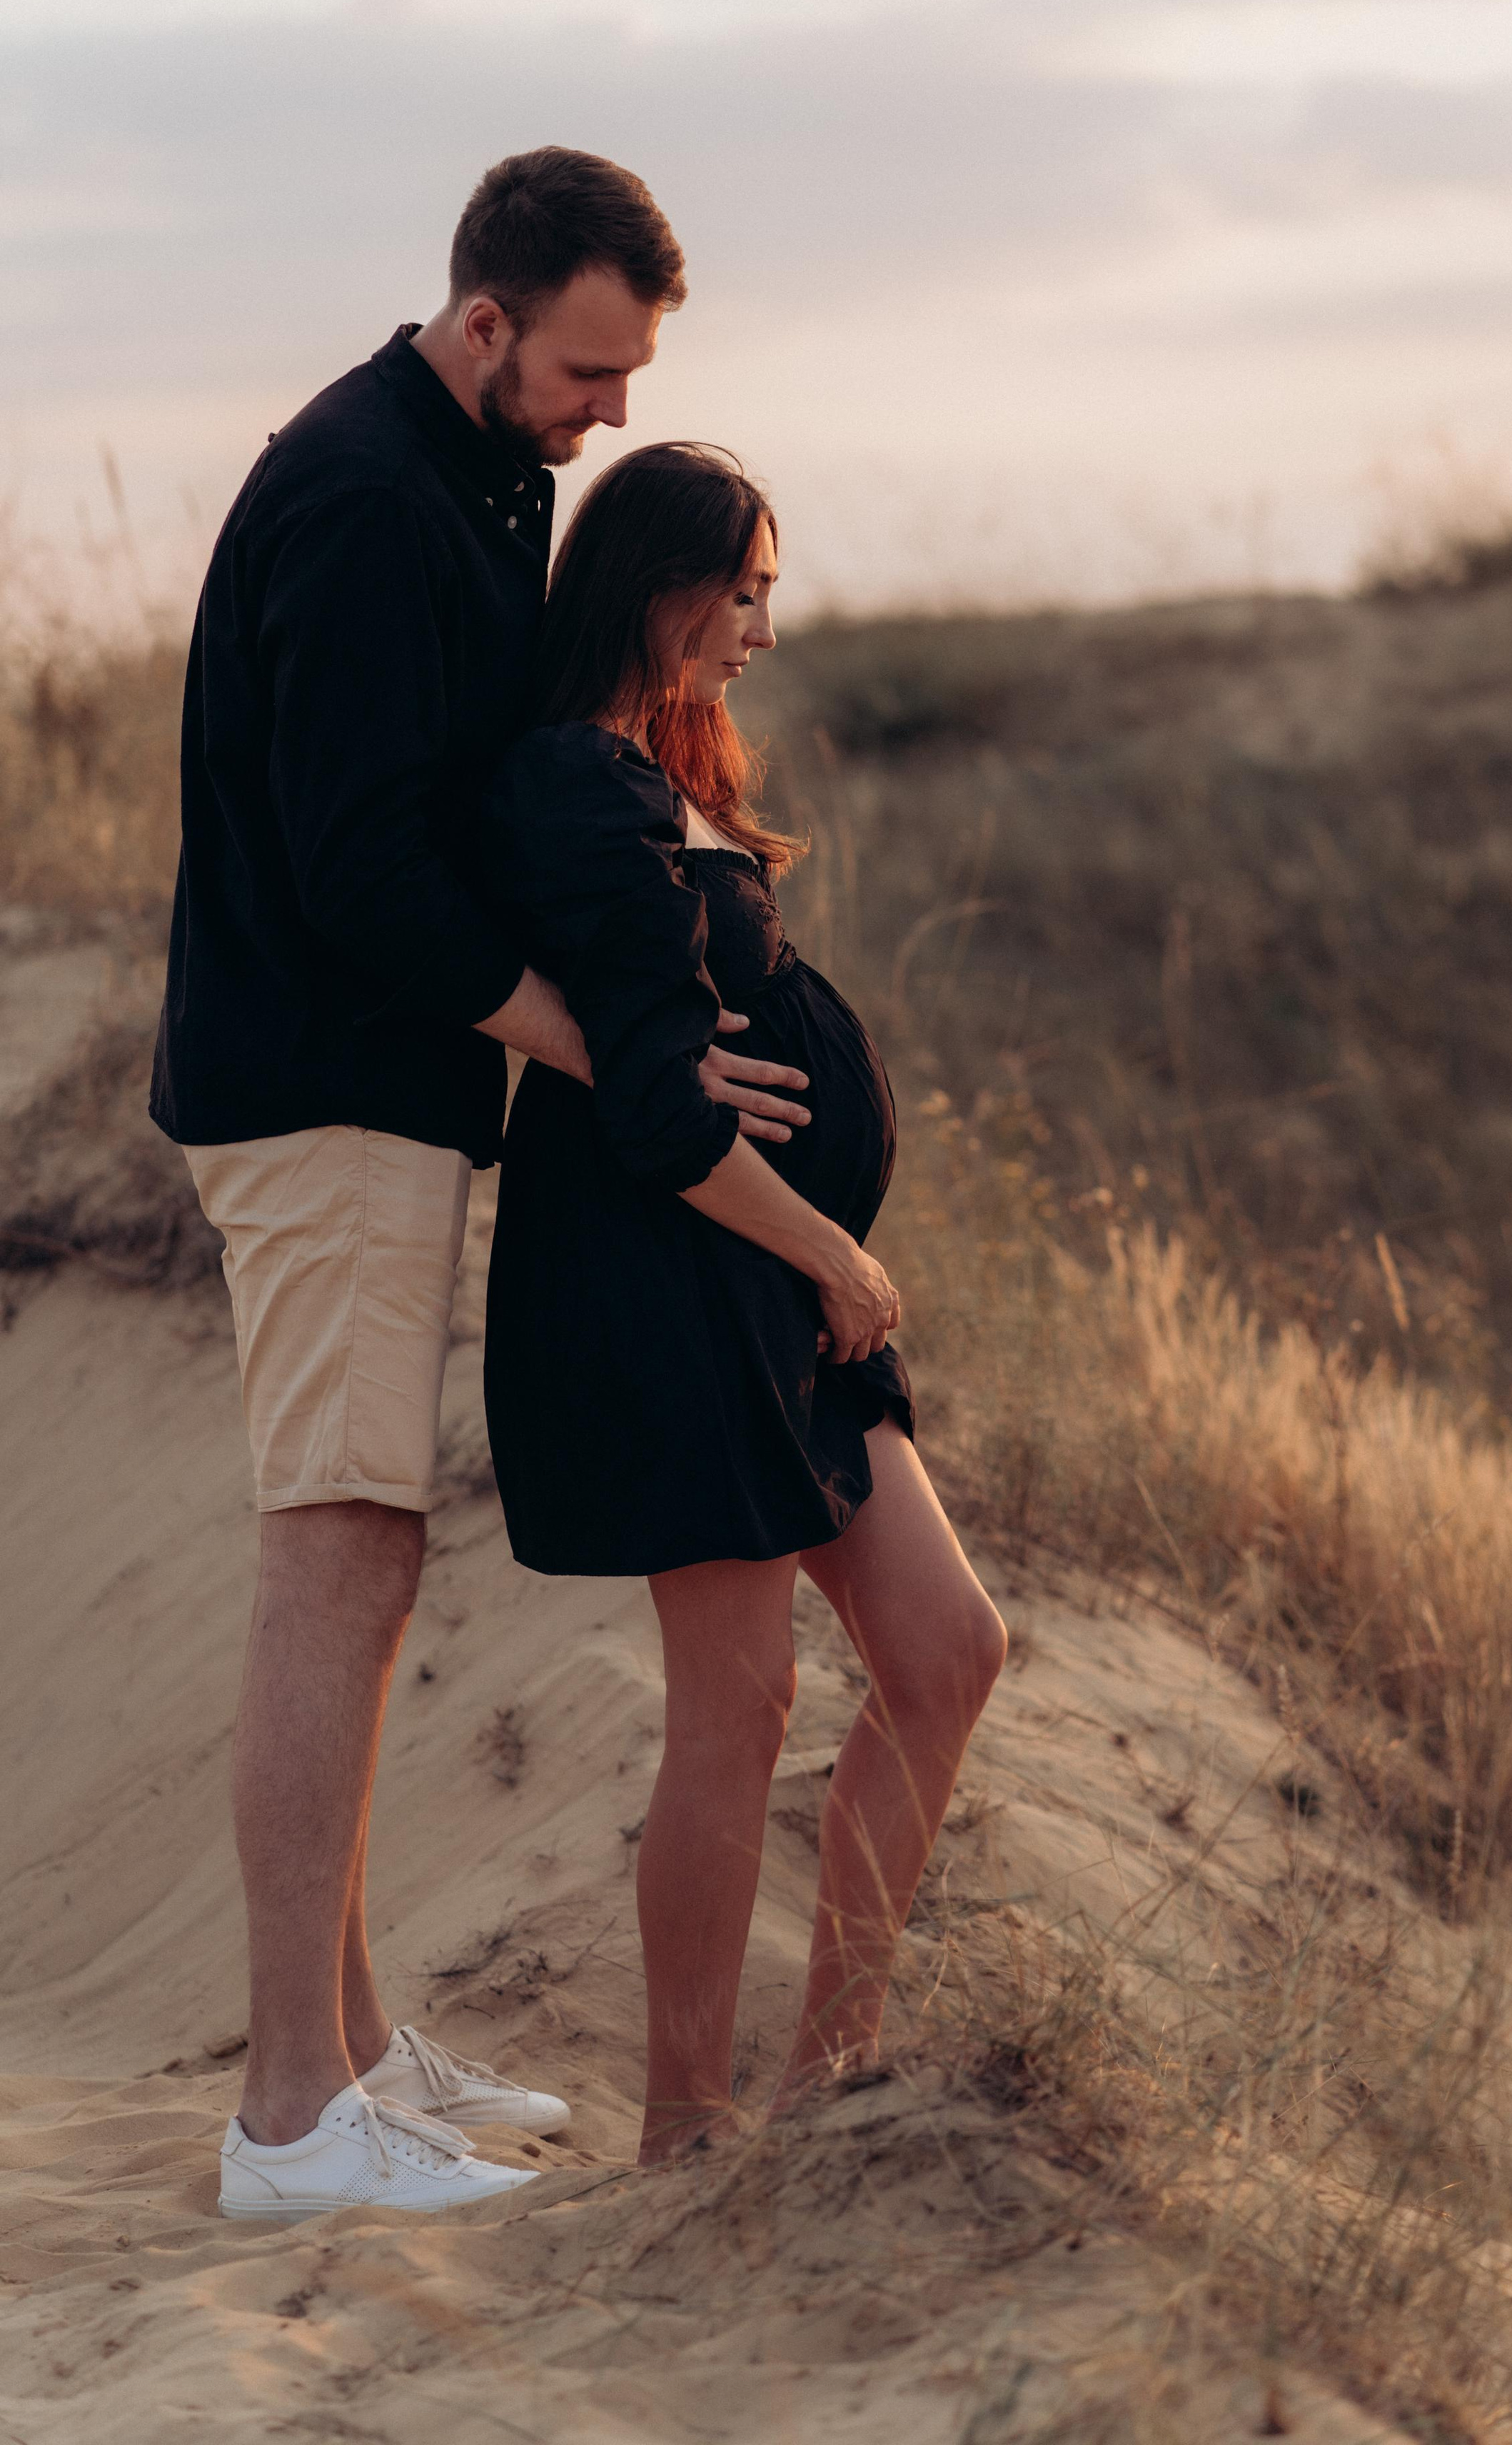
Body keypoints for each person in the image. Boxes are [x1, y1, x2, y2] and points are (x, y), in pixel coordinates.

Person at [149, 151, 813, 2221]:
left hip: (379, 1094)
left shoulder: (474, 473)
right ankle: (290, 2123)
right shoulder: (365, 495)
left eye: (630, 379)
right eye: (590, 369)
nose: (610, 412)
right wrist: (607, 1040)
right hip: (321, 1086)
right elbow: (360, 875)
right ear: (485, 317)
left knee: (362, 1566)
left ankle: (347, 2055)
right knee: (332, 1563)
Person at [479, 441, 1007, 2164]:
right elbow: (654, 1110)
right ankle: (687, 2134)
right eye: (745, 591)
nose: (763, 629)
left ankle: (828, 2076)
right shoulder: (573, 781)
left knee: (944, 1651)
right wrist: (833, 1255)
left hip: (768, 1293)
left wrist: (815, 1263)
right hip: (677, 1283)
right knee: (740, 1701)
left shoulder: (666, 765)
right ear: (658, 585)